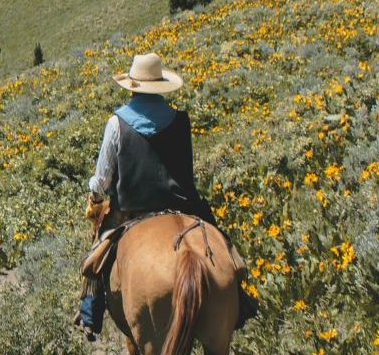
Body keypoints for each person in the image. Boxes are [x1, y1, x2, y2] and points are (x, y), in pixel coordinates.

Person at [75, 53, 257, 339]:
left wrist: (95, 196)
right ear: (160, 86)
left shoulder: (117, 124)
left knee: (96, 257)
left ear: (132, 86)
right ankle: (240, 300)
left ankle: (90, 312)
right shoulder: (180, 121)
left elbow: (102, 179)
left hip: (132, 212)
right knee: (224, 247)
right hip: (185, 209)